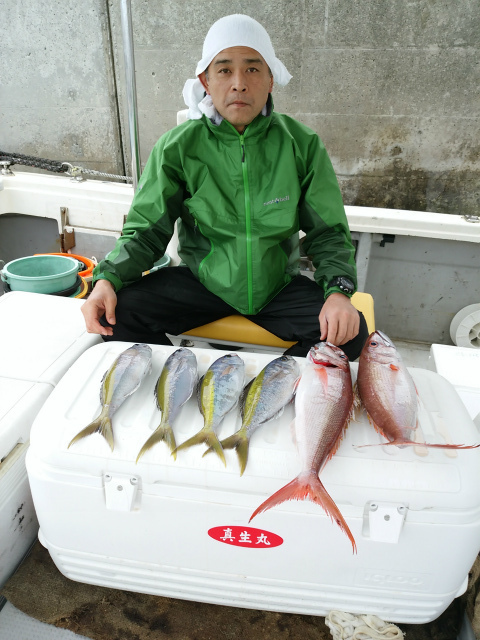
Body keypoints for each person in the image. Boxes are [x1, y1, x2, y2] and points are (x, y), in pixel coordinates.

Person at [82, 14, 368, 359]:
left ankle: (275, 386)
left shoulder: (302, 144)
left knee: (351, 335)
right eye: (224, 70)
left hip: (277, 285)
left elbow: (328, 233)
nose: (238, 83)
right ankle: (179, 375)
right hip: (203, 283)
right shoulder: (177, 147)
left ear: (270, 79)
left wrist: (338, 293)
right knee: (119, 313)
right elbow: (145, 230)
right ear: (205, 79)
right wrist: (107, 280)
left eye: (252, 68)